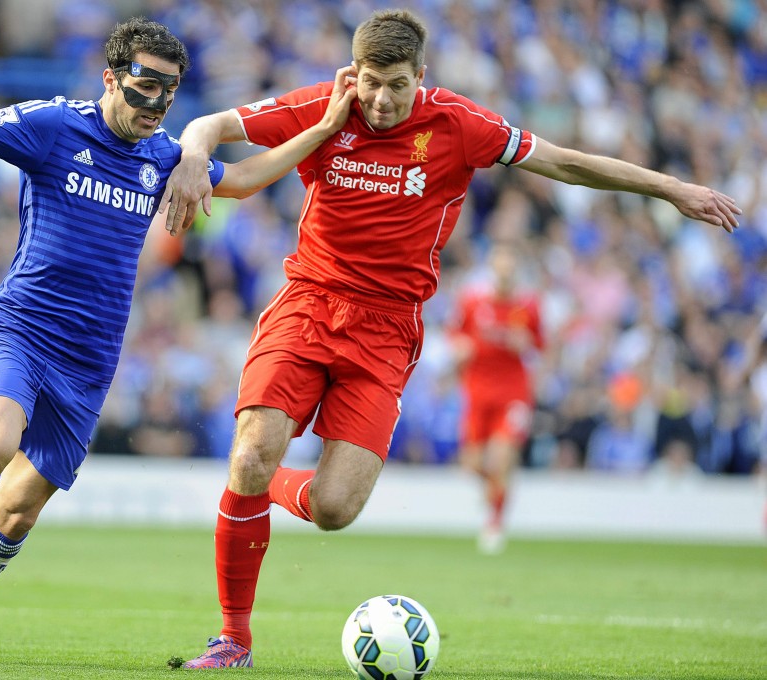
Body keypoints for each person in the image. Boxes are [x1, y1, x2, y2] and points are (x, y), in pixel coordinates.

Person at [160, 8, 742, 669]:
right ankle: (234, 637)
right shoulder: (327, 106)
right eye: (372, 82)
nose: (381, 100)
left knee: (333, 509)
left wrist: (671, 189)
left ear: (421, 77)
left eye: (398, 85)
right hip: (309, 306)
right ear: (354, 73)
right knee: (255, 447)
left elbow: (565, 163)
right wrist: (193, 155)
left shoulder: (459, 124)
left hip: (387, 330)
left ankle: (255, 486)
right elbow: (214, 124)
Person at [0, 17, 356, 666]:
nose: (155, 103)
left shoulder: (163, 159)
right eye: (144, 85)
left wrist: (322, 130)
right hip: (23, 326)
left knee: (15, 517)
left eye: (170, 90)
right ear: (110, 77)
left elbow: (239, 181)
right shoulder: (54, 125)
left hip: (90, 360)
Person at [448, 242, 543, 554]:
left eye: (510, 268)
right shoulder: (473, 301)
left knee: (501, 459)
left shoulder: (527, 306)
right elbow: (454, 334)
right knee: (472, 464)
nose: (505, 274)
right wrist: (461, 346)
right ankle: (496, 492)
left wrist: (526, 343)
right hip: (477, 390)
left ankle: (495, 522)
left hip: (513, 392)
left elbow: (541, 346)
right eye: (500, 267)